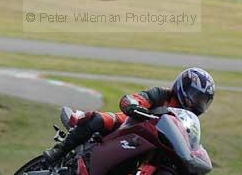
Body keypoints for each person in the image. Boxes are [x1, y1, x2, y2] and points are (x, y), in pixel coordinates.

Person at [44, 67, 215, 163]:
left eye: (203, 101)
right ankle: (58, 152)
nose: (198, 103)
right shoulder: (162, 95)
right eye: (196, 97)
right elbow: (135, 99)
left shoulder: (188, 119)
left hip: (155, 142)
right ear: (183, 87)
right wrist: (134, 106)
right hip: (130, 125)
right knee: (98, 119)